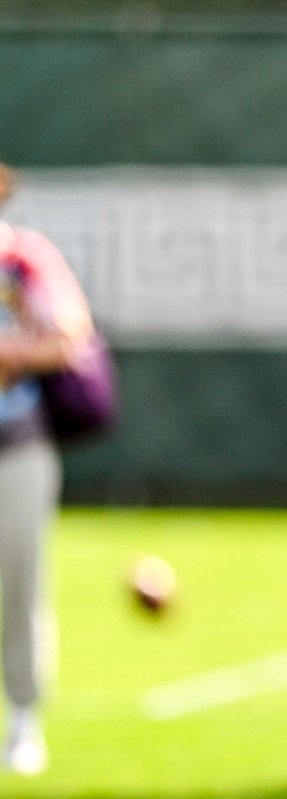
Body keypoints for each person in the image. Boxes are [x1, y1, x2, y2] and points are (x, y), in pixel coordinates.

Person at [0, 160, 92, 776]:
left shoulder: (23, 259)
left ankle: (24, 720)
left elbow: (69, 336)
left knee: (18, 582)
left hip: (15, 444)